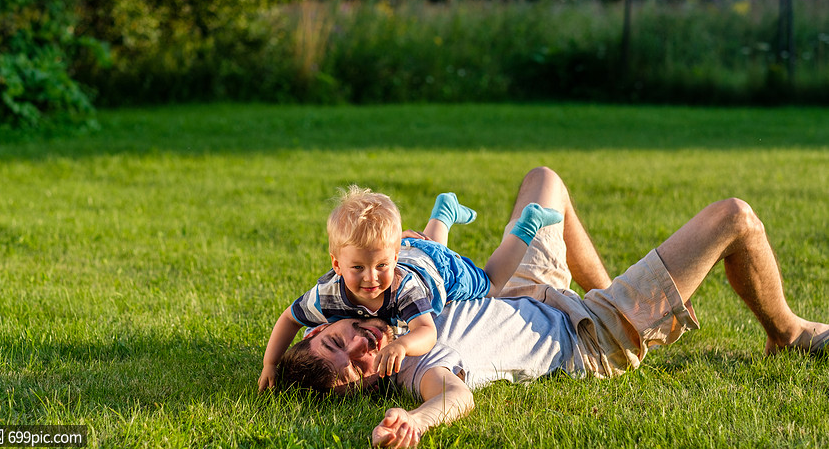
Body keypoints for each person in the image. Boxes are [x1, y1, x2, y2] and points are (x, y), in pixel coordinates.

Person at [275, 167, 829, 448]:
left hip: (525, 291)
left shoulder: (362, 295)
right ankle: (787, 331)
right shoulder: (413, 363)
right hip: (585, 335)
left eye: (335, 339)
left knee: (545, 180)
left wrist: (271, 365)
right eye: (356, 364)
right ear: (367, 386)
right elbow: (453, 395)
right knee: (734, 217)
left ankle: (617, 289)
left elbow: (299, 311)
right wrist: (416, 419)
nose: (359, 343)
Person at [258, 186, 564, 391]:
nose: (371, 279)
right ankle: (443, 211)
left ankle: (528, 224)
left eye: (380, 266)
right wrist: (270, 363)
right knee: (426, 246)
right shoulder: (328, 294)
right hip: (412, 250)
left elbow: (426, 332)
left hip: (438, 270)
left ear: (392, 258)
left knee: (493, 283)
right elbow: (290, 318)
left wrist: (402, 345)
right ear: (336, 266)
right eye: (357, 268)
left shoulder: (405, 291)